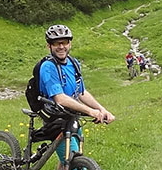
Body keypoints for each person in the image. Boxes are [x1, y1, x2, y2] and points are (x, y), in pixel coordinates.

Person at [40, 25, 115, 161]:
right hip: (56, 120)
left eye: (65, 42)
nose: (61, 46)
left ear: (70, 44)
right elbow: (60, 99)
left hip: (72, 117)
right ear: (49, 46)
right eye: (56, 43)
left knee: (69, 162)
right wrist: (91, 112)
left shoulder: (74, 63)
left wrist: (101, 109)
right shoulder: (48, 67)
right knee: (76, 165)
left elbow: (81, 92)